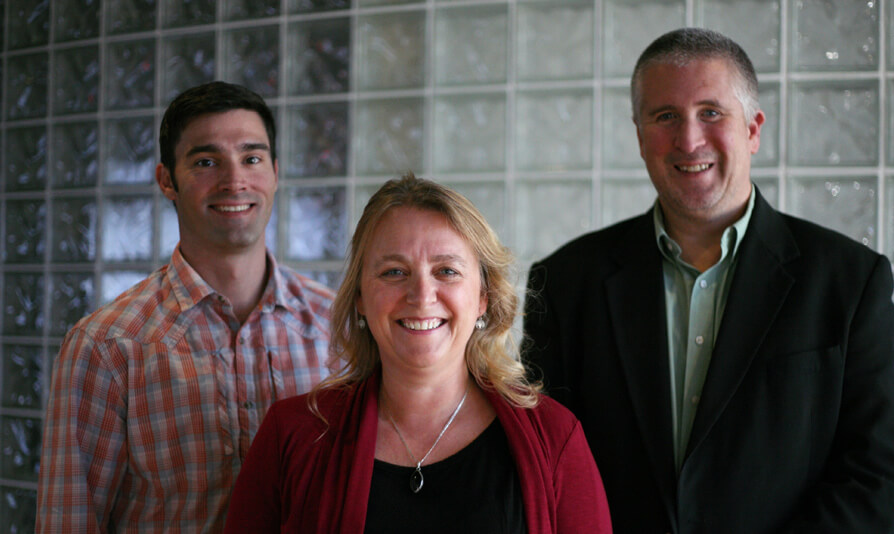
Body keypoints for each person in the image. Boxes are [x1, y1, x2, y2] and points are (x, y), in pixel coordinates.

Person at [523, 28, 894, 533]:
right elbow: (542, 465)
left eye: (711, 112)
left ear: (753, 129)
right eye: (665, 116)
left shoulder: (849, 280)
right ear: (640, 136)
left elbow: (877, 481)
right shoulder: (565, 281)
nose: (689, 139)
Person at [223, 174, 612, 533]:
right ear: (359, 297)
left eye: (446, 271)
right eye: (394, 272)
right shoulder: (291, 434)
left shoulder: (556, 438)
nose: (421, 296)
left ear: (482, 298)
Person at [36, 81, 335, 533]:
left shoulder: (340, 326)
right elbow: (69, 521)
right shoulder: (107, 346)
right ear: (166, 181)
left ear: (275, 172)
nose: (235, 180)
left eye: (252, 158)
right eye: (206, 162)